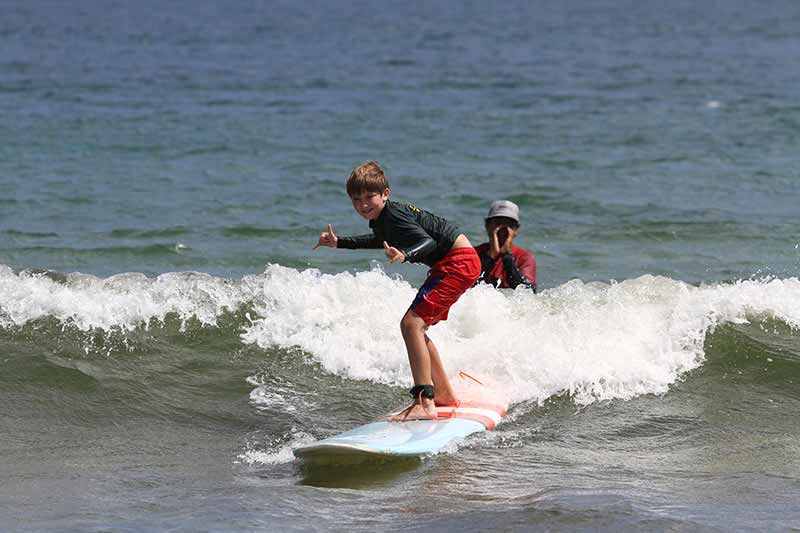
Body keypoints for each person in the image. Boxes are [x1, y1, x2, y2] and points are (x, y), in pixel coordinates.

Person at [315, 161, 481, 421]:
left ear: (385, 194)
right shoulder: (384, 218)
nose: (363, 204)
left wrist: (405, 254)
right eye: (356, 199)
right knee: (417, 327)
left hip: (457, 262)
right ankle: (443, 395)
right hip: (456, 262)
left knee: (410, 324)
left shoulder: (394, 216)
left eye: (370, 196)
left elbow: (427, 241)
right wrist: (340, 243)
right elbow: (377, 240)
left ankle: (424, 401)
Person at [474, 200, 537, 292]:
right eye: (498, 223)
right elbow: (469, 287)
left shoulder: (524, 258)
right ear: (487, 226)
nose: (503, 229)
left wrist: (507, 258)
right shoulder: (474, 254)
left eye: (509, 225)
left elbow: (527, 292)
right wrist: (490, 258)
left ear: (516, 230)